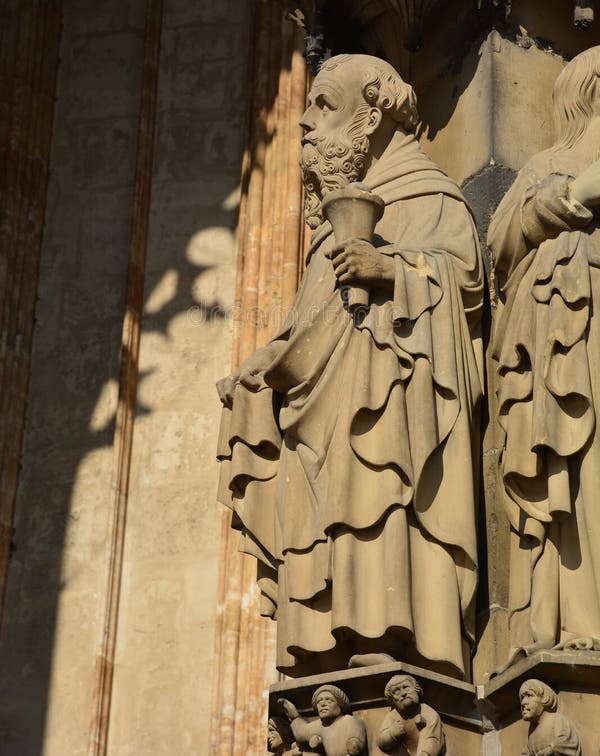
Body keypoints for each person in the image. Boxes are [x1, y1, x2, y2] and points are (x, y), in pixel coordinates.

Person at [217, 53, 484, 679]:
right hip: (325, 430)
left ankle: (396, 640)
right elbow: (315, 328)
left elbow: (463, 282)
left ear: (374, 115)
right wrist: (269, 361)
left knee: (381, 507)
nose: (305, 123)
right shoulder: (334, 223)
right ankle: (329, 650)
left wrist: (390, 269)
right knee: (331, 523)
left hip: (390, 419)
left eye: (324, 106)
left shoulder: (428, 197)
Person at [488, 46, 600, 664]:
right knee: (582, 474)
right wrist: (573, 195)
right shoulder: (547, 165)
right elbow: (501, 242)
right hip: (572, 346)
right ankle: (578, 618)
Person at [278, 684, 366, 756]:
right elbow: (301, 732)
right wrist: (294, 716)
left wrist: (354, 743)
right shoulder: (320, 725)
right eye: (319, 701)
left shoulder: (350, 721)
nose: (323, 704)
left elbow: (355, 743)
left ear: (340, 704)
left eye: (329, 700)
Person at [377, 674, 445, 755]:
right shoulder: (392, 716)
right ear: (392, 700)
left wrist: (425, 754)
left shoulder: (428, 712)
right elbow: (381, 742)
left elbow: (434, 739)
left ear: (416, 689)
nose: (403, 693)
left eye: (406, 687)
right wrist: (391, 733)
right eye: (396, 691)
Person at [519, 680, 581, 755]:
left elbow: (568, 741)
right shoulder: (532, 731)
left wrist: (552, 749)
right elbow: (526, 752)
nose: (523, 703)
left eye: (529, 695)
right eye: (522, 698)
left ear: (544, 698)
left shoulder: (556, 719)